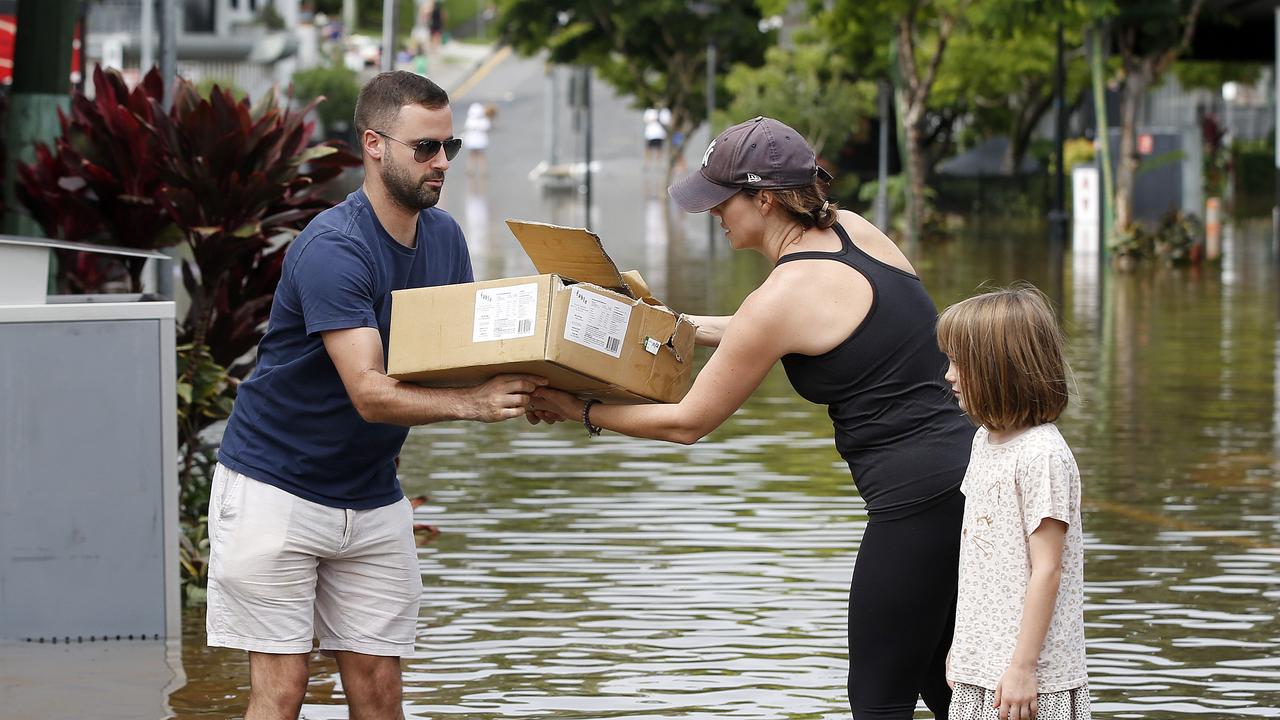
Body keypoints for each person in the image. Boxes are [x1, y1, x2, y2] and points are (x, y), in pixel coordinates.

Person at [531, 116, 975, 718]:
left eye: (721, 201)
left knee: (879, 700)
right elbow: (785, 329)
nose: (712, 213)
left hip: (915, 503)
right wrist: (677, 325)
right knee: (947, 683)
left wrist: (578, 407)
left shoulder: (780, 297)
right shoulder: (856, 233)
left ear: (764, 199)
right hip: (976, 477)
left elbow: (688, 421)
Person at [208, 71, 548, 720]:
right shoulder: (334, 249)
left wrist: (566, 391)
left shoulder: (445, 238)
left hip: (369, 493)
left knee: (380, 694)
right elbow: (370, 392)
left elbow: (467, 360)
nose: (442, 162)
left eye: (448, 146)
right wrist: (477, 403)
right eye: (426, 148)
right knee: (281, 693)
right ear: (374, 144)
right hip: (275, 489)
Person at [936, 286, 1089, 720]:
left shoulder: (1042, 456)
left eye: (959, 364)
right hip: (982, 666)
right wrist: (963, 648)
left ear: (999, 370)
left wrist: (1022, 668)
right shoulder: (985, 440)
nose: (948, 375)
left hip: (1029, 680)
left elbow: (1048, 569)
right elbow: (980, 556)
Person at [463, 102, 491, 178]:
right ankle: (482, 170)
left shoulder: (470, 120)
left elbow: (467, 128)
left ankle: (473, 169)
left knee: (473, 156)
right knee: (480, 156)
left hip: (473, 141)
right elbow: (487, 127)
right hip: (480, 141)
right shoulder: (484, 120)